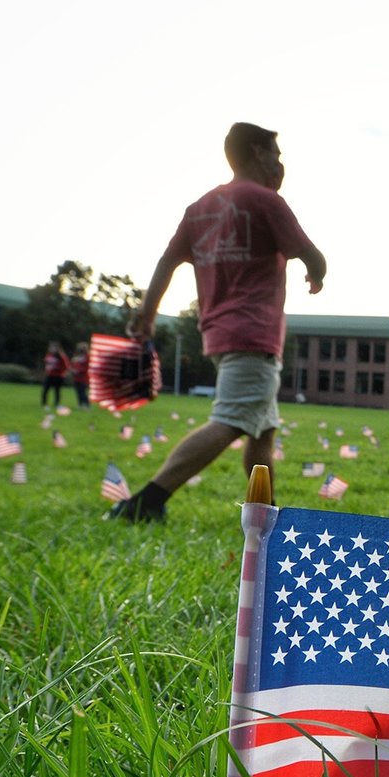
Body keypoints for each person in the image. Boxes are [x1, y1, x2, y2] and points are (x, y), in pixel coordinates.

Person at [109, 122, 326, 522]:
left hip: (218, 334)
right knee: (230, 420)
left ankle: (266, 514)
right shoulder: (265, 201)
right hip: (254, 333)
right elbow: (312, 255)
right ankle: (147, 501)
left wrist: (147, 313)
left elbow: (166, 262)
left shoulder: (200, 209)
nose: (279, 164)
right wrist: (317, 273)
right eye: (276, 154)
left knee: (262, 431)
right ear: (258, 153)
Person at [41, 342, 69, 408]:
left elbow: (66, 367)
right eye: (50, 347)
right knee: (45, 389)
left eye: (53, 348)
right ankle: (44, 403)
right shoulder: (49, 355)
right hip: (49, 375)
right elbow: (46, 363)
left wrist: (57, 369)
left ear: (57, 349)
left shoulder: (61, 356)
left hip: (58, 376)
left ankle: (57, 403)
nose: (51, 349)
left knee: (57, 390)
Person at [69, 342, 91, 408]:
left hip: (83, 377)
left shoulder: (88, 356)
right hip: (76, 377)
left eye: (83, 348)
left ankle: (87, 405)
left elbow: (87, 366)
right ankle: (80, 404)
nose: (81, 349)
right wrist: (72, 369)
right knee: (78, 392)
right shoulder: (77, 356)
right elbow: (73, 364)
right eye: (80, 348)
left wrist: (79, 371)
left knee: (82, 392)